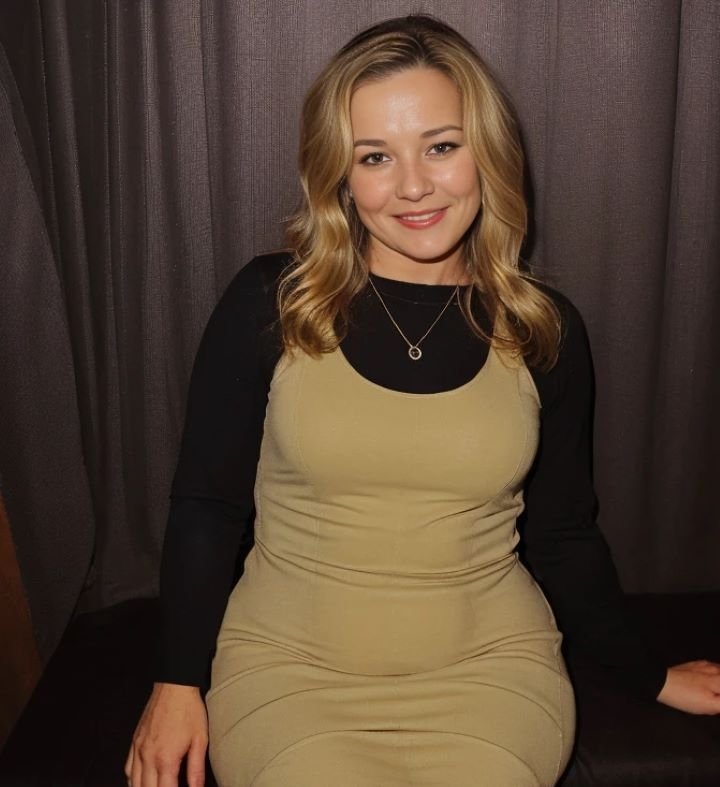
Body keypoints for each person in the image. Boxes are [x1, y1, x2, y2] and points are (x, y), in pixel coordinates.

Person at [126, 14, 720, 787]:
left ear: (488, 152)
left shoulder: (542, 328)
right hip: (289, 673)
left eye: (441, 146)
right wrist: (176, 679)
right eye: (375, 156)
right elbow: (208, 506)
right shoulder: (273, 302)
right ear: (340, 175)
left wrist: (649, 674)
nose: (413, 185)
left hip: (491, 675)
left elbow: (564, 534)